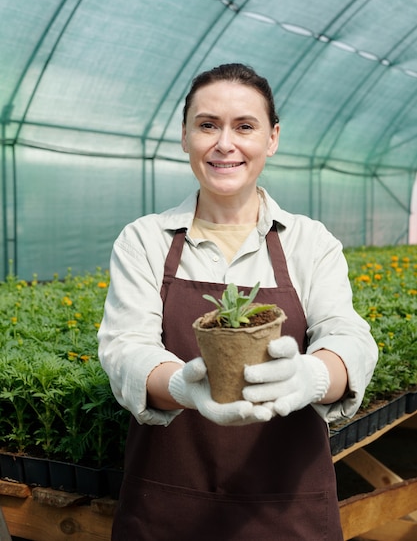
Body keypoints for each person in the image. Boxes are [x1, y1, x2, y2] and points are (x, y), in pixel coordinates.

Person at [98, 63, 378, 540]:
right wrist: (187, 388)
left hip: (287, 509)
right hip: (167, 507)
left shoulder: (308, 241)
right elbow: (126, 348)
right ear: (185, 137)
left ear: (272, 138)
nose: (224, 143)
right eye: (207, 125)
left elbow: (347, 334)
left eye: (244, 126)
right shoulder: (145, 239)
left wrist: (311, 376)